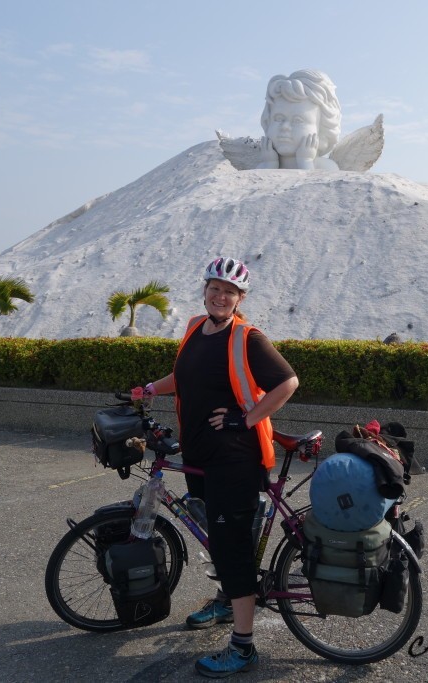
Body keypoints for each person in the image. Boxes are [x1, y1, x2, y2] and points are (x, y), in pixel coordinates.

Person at [139, 256, 299, 678]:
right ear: (205, 290)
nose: (221, 296)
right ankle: (229, 601)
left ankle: (244, 648)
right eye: (215, 288)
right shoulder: (195, 327)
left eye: (230, 291)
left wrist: (244, 418)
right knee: (217, 533)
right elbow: (185, 375)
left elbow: (287, 382)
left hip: (234, 458)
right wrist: (152, 388)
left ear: (240, 298)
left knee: (231, 548)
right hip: (200, 454)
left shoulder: (248, 337)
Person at [257, 69, 342, 170]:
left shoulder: (326, 167)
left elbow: (314, 184)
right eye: (278, 119)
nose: (284, 127)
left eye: (297, 120)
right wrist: (270, 164)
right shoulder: (263, 167)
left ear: (322, 129)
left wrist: (305, 162)